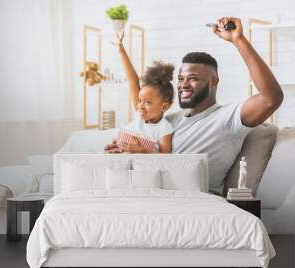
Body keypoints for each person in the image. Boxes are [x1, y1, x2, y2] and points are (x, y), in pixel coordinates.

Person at [105, 17, 283, 196]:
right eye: (181, 79)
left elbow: (271, 98)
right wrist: (125, 149)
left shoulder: (227, 117)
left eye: (193, 78)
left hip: (190, 200)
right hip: (149, 193)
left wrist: (239, 40)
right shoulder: (170, 120)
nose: (183, 85)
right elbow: (137, 96)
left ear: (213, 81)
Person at [107, 31, 175, 153]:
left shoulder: (164, 129)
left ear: (164, 106)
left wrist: (143, 151)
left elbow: (166, 158)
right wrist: (121, 50)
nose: (140, 106)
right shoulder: (139, 114)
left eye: (148, 102)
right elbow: (133, 80)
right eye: (139, 101)